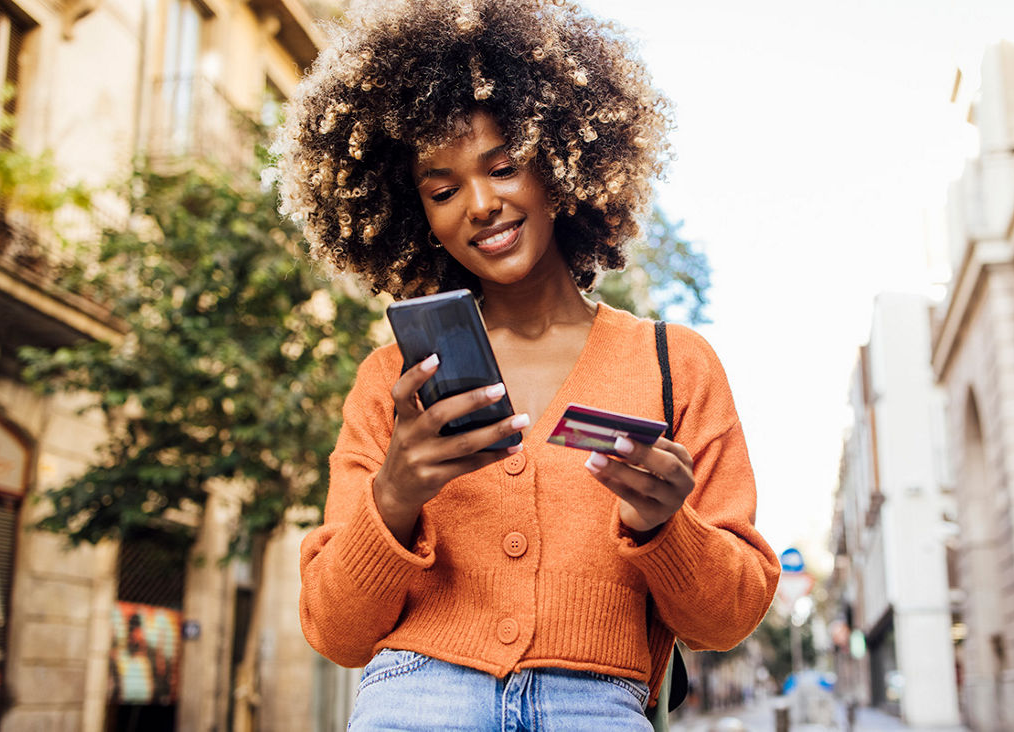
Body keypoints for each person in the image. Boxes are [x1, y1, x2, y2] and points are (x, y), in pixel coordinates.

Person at [275, 0, 780, 728]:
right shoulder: (391, 381)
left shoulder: (676, 364)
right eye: (443, 189)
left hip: (597, 703)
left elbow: (726, 620)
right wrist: (393, 493)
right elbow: (336, 631)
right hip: (415, 696)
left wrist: (667, 528)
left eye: (503, 167)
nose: (480, 205)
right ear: (416, 213)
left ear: (561, 166)